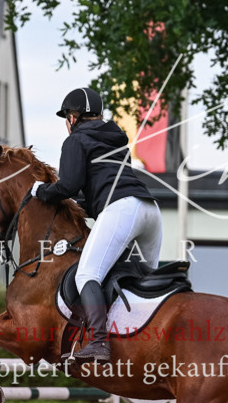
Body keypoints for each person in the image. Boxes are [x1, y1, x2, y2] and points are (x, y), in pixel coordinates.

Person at [31, 87, 162, 364]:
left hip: (123, 209)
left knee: (86, 275)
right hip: (150, 209)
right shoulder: (116, 140)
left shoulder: (75, 141)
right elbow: (94, 194)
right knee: (146, 281)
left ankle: (99, 342)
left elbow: (68, 185)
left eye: (67, 117)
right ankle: (151, 342)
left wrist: (40, 192)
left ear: (73, 117)